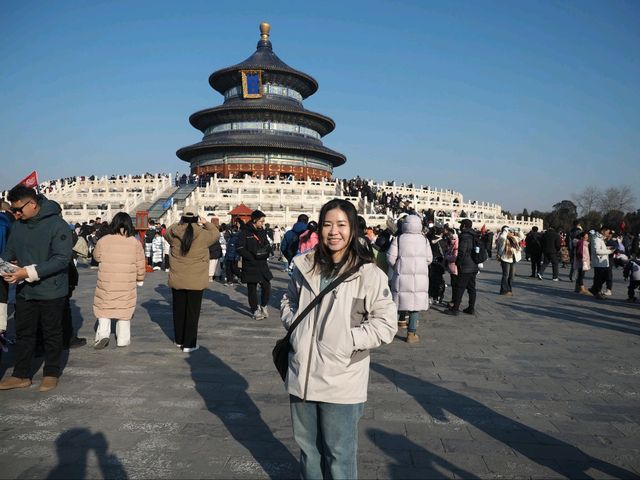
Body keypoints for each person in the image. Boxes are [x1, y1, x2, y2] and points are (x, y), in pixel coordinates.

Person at [281, 199, 397, 479]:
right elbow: (288, 300)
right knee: (308, 451)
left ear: (353, 229)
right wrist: (295, 326)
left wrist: (346, 339)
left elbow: (386, 325)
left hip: (341, 379)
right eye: (327, 224)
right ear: (319, 229)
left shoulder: (368, 274)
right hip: (302, 377)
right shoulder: (304, 266)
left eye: (341, 225)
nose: (334, 231)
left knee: (339, 454)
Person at [0, 185, 72, 392]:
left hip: (51, 290)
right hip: (25, 290)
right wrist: (4, 266)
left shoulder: (57, 225)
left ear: (32, 204)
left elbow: (61, 259)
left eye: (19, 209)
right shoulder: (19, 225)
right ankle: (21, 375)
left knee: (51, 333)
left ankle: (51, 373)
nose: (16, 214)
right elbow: (9, 250)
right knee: (24, 333)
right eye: (14, 210)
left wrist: (27, 272)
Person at [165, 212, 219, 352]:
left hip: (178, 278)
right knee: (192, 312)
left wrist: (180, 222)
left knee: (178, 310)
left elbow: (167, 232)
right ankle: (189, 344)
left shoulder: (175, 233)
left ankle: (179, 340)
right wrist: (205, 222)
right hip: (196, 280)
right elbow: (216, 233)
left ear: (183, 218)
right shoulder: (203, 234)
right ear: (197, 218)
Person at [92, 213, 146, 349]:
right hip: (126, 282)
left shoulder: (104, 240)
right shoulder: (134, 242)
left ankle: (103, 334)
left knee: (104, 308)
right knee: (124, 311)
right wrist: (140, 278)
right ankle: (122, 339)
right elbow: (140, 263)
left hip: (107, 281)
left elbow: (97, 257)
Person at [387, 214, 433, 343]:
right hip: (420, 278)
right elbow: (429, 258)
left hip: (401, 275)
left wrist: (397, 267)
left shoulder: (399, 239)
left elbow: (390, 257)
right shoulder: (424, 240)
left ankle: (392, 329)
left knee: (398, 301)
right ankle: (411, 334)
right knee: (414, 304)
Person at [237, 210, 273, 321]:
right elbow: (239, 248)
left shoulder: (262, 231)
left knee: (266, 286)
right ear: (255, 220)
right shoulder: (245, 232)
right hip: (250, 264)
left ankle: (263, 305)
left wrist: (267, 251)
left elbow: (267, 244)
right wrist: (251, 257)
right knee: (251, 288)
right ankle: (254, 309)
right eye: (261, 221)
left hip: (262, 263)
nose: (263, 223)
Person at [444, 219, 478, 315]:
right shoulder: (474, 235)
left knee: (460, 287)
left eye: (461, 224)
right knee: (471, 287)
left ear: (463, 226)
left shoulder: (464, 236)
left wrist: (458, 263)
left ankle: (455, 309)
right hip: (474, 265)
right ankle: (471, 308)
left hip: (465, 266)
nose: (460, 226)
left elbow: (462, 252)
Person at [495, 226, 523, 296]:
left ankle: (509, 289)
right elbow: (502, 237)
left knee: (512, 275)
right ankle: (504, 290)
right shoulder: (502, 239)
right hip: (505, 258)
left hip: (514, 258)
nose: (511, 233)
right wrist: (505, 230)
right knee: (506, 275)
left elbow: (522, 237)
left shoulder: (515, 238)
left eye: (511, 231)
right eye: (510, 231)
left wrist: (519, 230)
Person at [589, 226, 614, 300]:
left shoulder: (600, 238)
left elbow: (600, 249)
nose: (608, 233)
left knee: (601, 278)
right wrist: (609, 251)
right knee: (599, 278)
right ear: (603, 231)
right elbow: (597, 251)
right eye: (607, 232)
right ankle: (597, 292)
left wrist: (607, 248)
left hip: (601, 262)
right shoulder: (597, 239)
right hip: (599, 262)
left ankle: (595, 290)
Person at [573, 230, 591, 295]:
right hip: (582, 261)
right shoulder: (581, 243)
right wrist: (582, 260)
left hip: (582, 261)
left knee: (580, 274)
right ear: (581, 237)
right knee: (581, 275)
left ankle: (577, 288)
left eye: (587, 237)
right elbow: (580, 252)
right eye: (585, 237)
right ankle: (582, 288)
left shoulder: (583, 243)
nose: (587, 238)